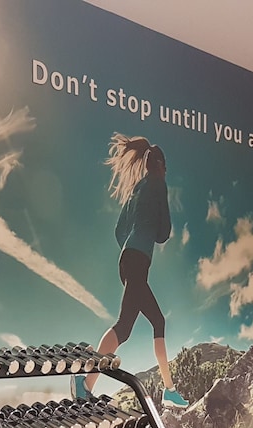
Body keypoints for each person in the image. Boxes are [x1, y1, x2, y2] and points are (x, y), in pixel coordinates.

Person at [73, 133, 188, 407]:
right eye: (165, 167)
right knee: (124, 327)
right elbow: (164, 232)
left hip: (128, 260)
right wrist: (147, 237)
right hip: (138, 261)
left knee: (156, 321)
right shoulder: (158, 183)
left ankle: (169, 391)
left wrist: (131, 243)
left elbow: (118, 230)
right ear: (160, 165)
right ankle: (84, 382)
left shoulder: (137, 189)